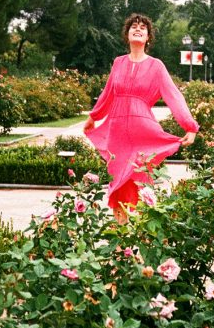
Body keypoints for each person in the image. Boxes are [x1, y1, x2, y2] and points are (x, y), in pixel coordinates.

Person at [83, 14, 199, 223]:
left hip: (142, 130)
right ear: (127, 35)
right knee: (118, 180)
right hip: (117, 131)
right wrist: (94, 116)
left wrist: (190, 126)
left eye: (143, 28)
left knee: (137, 179)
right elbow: (108, 93)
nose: (138, 29)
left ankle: (138, 234)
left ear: (148, 38)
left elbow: (173, 95)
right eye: (133, 27)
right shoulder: (118, 63)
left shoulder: (156, 66)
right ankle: (122, 240)